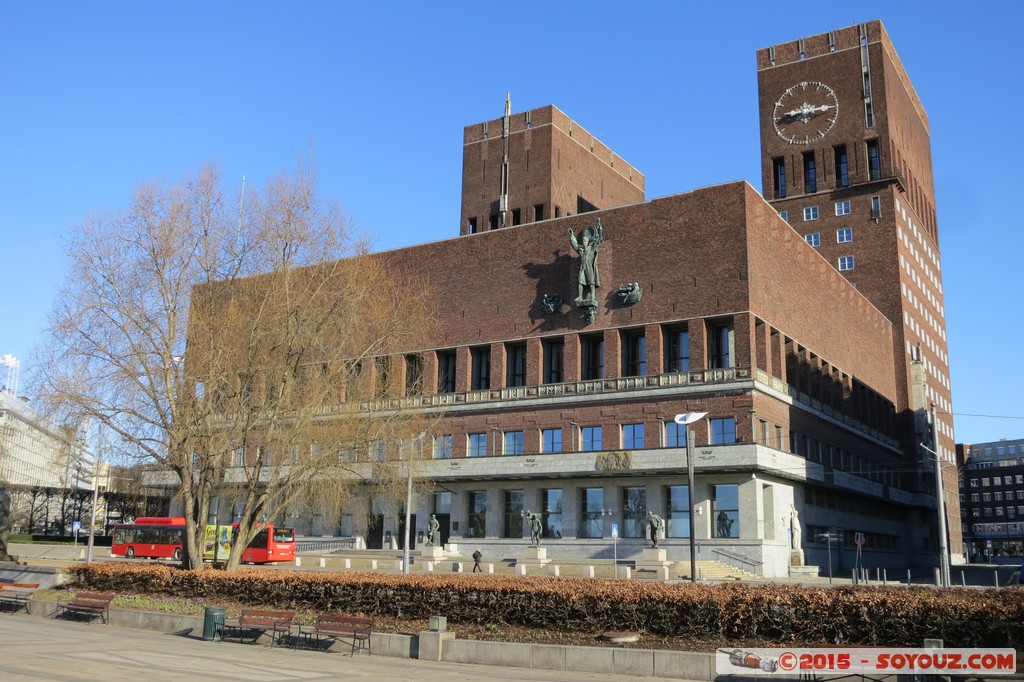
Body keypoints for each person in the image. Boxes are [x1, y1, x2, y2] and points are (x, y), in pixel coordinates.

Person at [568, 221, 602, 303]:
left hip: (589, 266)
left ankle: (593, 297)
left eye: (585, 241)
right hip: (582, 267)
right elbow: (575, 246)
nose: (584, 242)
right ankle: (580, 296)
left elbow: (597, 242)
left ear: (588, 242)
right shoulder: (581, 250)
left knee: (591, 281)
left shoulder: (591, 249)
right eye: (583, 241)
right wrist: (572, 236)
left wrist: (599, 230)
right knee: (580, 281)